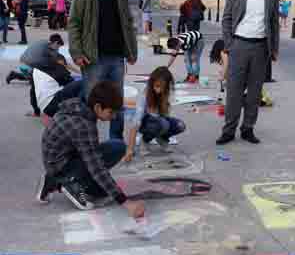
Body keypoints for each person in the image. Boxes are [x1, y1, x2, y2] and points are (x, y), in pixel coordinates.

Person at [37, 81, 145, 218]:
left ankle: (59, 178)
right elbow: (96, 167)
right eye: (111, 112)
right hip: (59, 166)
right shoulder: (83, 125)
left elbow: (88, 150)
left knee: (115, 152)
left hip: (59, 158)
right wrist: (125, 202)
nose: (113, 117)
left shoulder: (79, 107)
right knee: (109, 162)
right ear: (98, 107)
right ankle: (62, 181)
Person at [69, 0, 138, 140]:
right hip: (93, 57)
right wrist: (76, 52)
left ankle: (116, 141)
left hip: (116, 57)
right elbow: (74, 23)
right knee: (92, 101)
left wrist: (132, 51)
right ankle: (87, 139)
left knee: (117, 101)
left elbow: (127, 23)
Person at [216, 0, 280, 145]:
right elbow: (227, 18)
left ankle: (248, 128)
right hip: (239, 45)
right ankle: (229, 130)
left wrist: (274, 48)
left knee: (254, 92)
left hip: (261, 47)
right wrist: (229, 45)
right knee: (234, 91)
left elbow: (274, 22)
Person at [124, 67, 186, 162]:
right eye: (156, 85)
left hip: (159, 121)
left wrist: (163, 100)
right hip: (145, 123)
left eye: (161, 86)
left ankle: (162, 138)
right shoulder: (145, 95)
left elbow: (165, 115)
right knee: (163, 124)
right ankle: (145, 141)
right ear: (152, 83)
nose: (158, 89)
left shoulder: (166, 93)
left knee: (180, 125)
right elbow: (135, 123)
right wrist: (130, 149)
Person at [6, 34, 71, 117]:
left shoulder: (41, 41)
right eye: (58, 47)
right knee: (35, 88)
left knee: (33, 80)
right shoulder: (51, 50)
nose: (58, 49)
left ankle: (14, 75)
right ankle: (36, 112)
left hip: (23, 63)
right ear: (56, 43)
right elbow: (62, 63)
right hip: (31, 67)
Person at [210, 39, 273, 107]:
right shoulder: (231, 49)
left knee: (236, 98)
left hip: (242, 72)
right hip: (246, 70)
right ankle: (258, 98)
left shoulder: (223, 51)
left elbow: (226, 64)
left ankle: (257, 99)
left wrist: (222, 76)